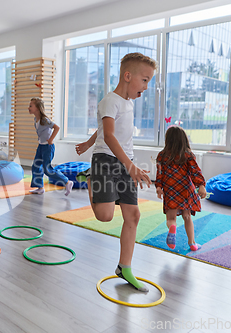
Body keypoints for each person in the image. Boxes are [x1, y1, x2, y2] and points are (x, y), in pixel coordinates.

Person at [75, 52, 157, 292]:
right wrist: (129, 167)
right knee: (105, 216)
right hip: (105, 162)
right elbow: (108, 135)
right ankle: (90, 180)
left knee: (133, 215)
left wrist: (90, 143)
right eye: (145, 80)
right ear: (128, 76)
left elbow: (103, 128)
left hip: (125, 161)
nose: (147, 86)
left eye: (149, 81)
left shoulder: (128, 104)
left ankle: (125, 267)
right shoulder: (109, 100)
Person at [155, 126, 207, 251]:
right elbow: (195, 171)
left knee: (171, 218)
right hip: (186, 190)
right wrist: (201, 185)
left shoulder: (162, 155)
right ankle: (192, 243)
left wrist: (158, 187)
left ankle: (172, 228)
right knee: (187, 216)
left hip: (171, 190)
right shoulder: (187, 155)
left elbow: (159, 174)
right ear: (184, 139)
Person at [28, 97, 73, 196]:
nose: (29, 108)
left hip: (48, 148)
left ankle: (67, 182)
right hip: (41, 146)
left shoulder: (45, 120)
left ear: (37, 108)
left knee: (47, 169)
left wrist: (51, 139)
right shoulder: (36, 119)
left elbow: (56, 127)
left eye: (31, 106)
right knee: (36, 166)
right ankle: (40, 188)